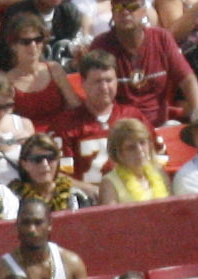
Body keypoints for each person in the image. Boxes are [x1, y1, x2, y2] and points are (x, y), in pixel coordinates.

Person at [94, 0, 198, 127]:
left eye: (132, 6)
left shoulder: (161, 38)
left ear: (144, 10)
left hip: (160, 126)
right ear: (112, 11)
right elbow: (92, 93)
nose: (125, 11)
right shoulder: (101, 46)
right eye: (118, 7)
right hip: (120, 128)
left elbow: (188, 81)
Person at [53, 49, 147, 191]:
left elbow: (157, 159)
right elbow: (59, 175)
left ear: (117, 81)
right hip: (88, 198)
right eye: (97, 82)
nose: (104, 88)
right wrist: (91, 190)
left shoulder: (133, 117)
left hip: (133, 193)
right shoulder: (65, 125)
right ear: (83, 83)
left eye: (109, 80)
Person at [0, 8, 79, 136]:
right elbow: (5, 120)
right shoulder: (6, 81)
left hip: (61, 134)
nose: (33, 46)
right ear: (13, 45)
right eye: (26, 42)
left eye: (38, 40)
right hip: (28, 139)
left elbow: (75, 105)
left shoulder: (54, 70)